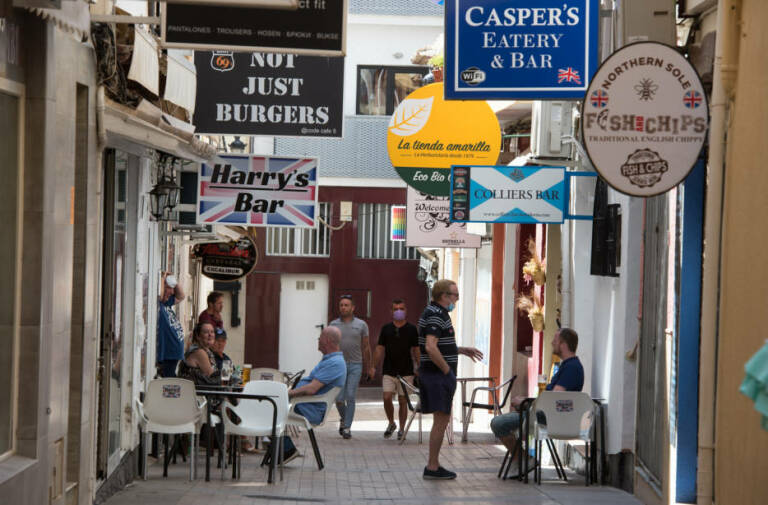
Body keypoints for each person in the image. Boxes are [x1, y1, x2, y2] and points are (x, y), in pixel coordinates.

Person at [489, 327, 584, 472]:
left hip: (550, 419)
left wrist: (527, 403)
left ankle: (523, 460)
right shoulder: (569, 366)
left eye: (555, 340)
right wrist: (527, 402)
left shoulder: (571, 368)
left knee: (498, 423)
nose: (552, 342)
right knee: (505, 420)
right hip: (548, 415)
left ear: (563, 344)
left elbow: (554, 399)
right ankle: (522, 459)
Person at [418, 279, 483, 480]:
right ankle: (433, 465)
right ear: (444, 296)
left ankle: (434, 464)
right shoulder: (436, 315)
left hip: (436, 374)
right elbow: (430, 346)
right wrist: (447, 371)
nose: (457, 298)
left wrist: (461, 350)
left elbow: (440, 345)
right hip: (437, 376)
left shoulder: (435, 313)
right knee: (441, 419)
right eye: (455, 295)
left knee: (442, 419)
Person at [276, 326, 347, 463]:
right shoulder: (330, 360)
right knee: (270, 405)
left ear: (326, 341)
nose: (318, 340)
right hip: (305, 404)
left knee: (270, 406)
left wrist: (288, 393)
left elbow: (312, 389)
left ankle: (285, 449)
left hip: (309, 409)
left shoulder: (335, 363)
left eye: (320, 338)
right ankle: (281, 448)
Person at [373, 298, 420, 440]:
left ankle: (401, 429)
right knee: (387, 397)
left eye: (401, 308)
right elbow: (379, 348)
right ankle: (391, 423)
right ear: (391, 311)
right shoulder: (386, 329)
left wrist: (419, 366)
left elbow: (416, 350)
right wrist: (373, 367)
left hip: (406, 371)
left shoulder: (412, 329)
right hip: (389, 370)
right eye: (396, 309)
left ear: (406, 311)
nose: (398, 311)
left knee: (403, 400)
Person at [329, 295, 372, 439]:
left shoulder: (361, 325)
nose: (343, 307)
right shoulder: (333, 325)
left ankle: (347, 427)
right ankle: (344, 418)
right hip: (338, 365)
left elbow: (366, 347)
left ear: (353, 308)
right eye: (341, 305)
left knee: (350, 395)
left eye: (346, 305)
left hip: (355, 365)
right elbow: (329, 347)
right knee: (339, 398)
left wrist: (369, 366)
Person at [156, 272, 186, 377]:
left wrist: (174, 281)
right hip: (168, 354)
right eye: (169, 288)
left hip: (173, 355)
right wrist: (163, 278)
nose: (172, 292)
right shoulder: (158, 303)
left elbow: (182, 295)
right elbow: (159, 294)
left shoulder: (166, 303)